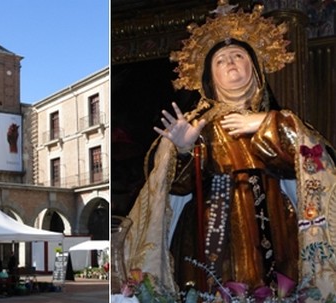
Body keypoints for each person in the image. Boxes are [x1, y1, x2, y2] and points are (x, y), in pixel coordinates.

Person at [121, 1, 336, 299]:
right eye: (221, 60)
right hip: (212, 224)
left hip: (273, 218)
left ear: (256, 68)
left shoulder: (281, 119)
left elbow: (310, 166)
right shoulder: (197, 125)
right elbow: (172, 193)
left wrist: (268, 123)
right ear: (211, 77)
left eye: (238, 55)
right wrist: (184, 152)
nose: (231, 63)